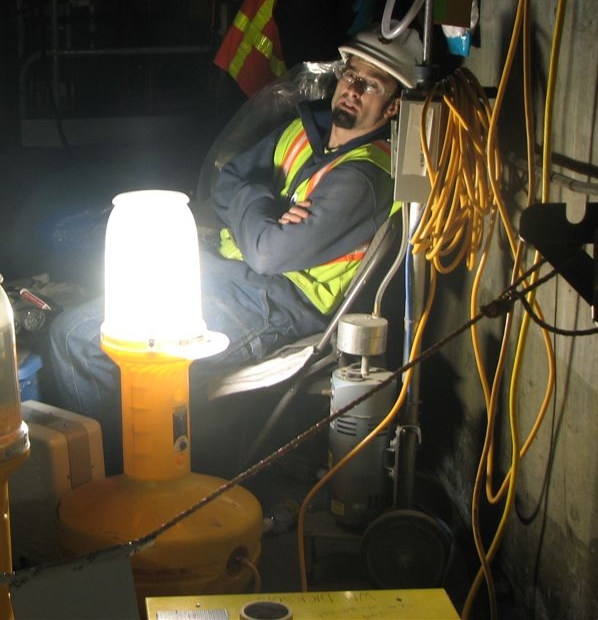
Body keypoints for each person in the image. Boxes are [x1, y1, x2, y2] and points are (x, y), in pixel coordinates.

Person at [42, 25, 422, 476]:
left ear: (395, 106)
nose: (352, 90)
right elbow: (227, 178)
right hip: (226, 276)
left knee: (78, 341)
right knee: (69, 323)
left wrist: (254, 203)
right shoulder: (303, 130)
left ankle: (131, 486)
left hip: (276, 303)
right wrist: (266, 206)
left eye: (371, 85)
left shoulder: (364, 176)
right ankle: (133, 474)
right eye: (350, 74)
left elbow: (266, 252)